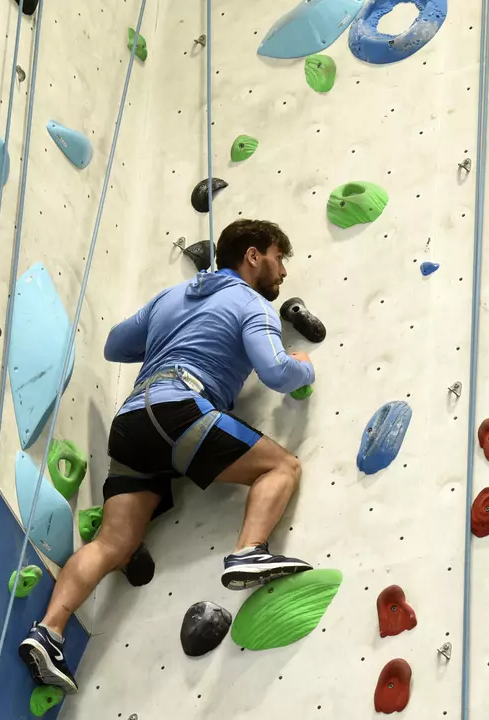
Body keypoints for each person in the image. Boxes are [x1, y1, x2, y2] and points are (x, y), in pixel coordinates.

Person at [19, 219, 316, 693]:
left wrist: (169, 334)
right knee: (282, 467)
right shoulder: (251, 303)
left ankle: (48, 632)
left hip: (133, 422)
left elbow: (117, 344)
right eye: (281, 258)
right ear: (254, 256)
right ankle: (247, 553)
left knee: (114, 545)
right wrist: (303, 367)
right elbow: (276, 373)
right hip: (178, 408)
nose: (283, 272)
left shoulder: (172, 296)